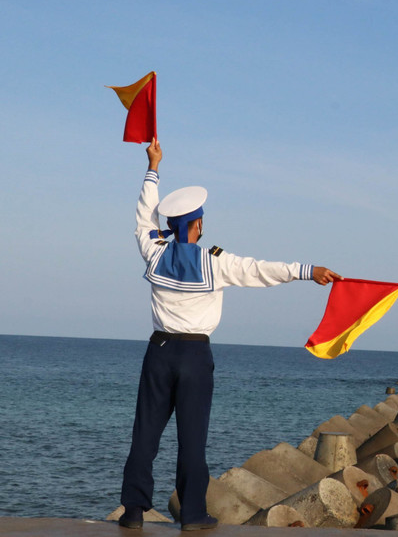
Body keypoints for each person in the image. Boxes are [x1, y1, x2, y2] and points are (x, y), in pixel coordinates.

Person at [119, 138, 342, 530]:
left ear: (170, 226)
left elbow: (141, 218)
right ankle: (191, 516)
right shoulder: (216, 263)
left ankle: (133, 512)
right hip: (194, 356)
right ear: (198, 224)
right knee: (192, 441)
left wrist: (153, 167)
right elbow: (261, 269)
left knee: (145, 436)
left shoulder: (153, 251)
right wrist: (309, 270)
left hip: (158, 352)